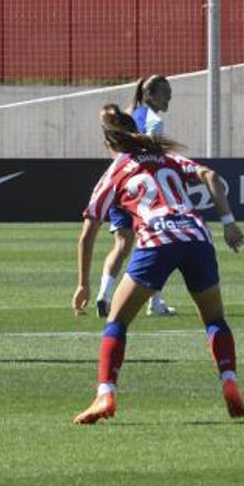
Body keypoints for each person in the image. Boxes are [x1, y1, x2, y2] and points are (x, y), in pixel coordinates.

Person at [71, 105, 244, 424]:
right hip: (196, 234)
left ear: (109, 144)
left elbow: (87, 234)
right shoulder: (166, 158)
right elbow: (209, 174)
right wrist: (228, 221)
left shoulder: (116, 170)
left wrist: (83, 284)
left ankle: (105, 393)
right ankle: (229, 380)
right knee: (215, 319)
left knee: (117, 321)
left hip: (157, 238)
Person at [96, 75, 178, 319]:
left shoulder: (127, 116)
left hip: (121, 183)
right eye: (166, 94)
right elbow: (155, 158)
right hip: (145, 192)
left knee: (121, 245)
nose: (169, 99)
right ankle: (155, 303)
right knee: (157, 243)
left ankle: (104, 294)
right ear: (150, 95)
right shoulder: (154, 123)